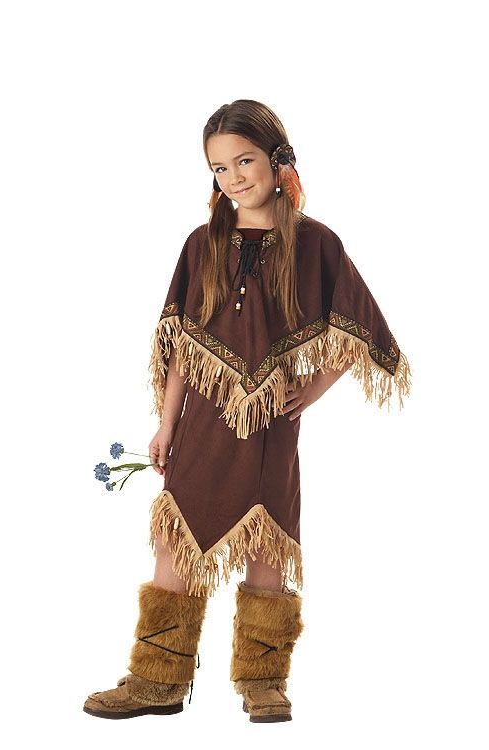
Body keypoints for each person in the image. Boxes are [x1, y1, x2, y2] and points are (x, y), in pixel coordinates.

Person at [83, 99, 412, 723]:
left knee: (268, 545)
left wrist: (313, 388)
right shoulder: (202, 244)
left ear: (277, 159)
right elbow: (182, 345)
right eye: (219, 168)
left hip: (269, 428)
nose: (233, 177)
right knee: (177, 543)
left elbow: (361, 327)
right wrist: (166, 423)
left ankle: (263, 680)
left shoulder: (314, 243)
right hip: (203, 423)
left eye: (244, 161)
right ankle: (157, 680)